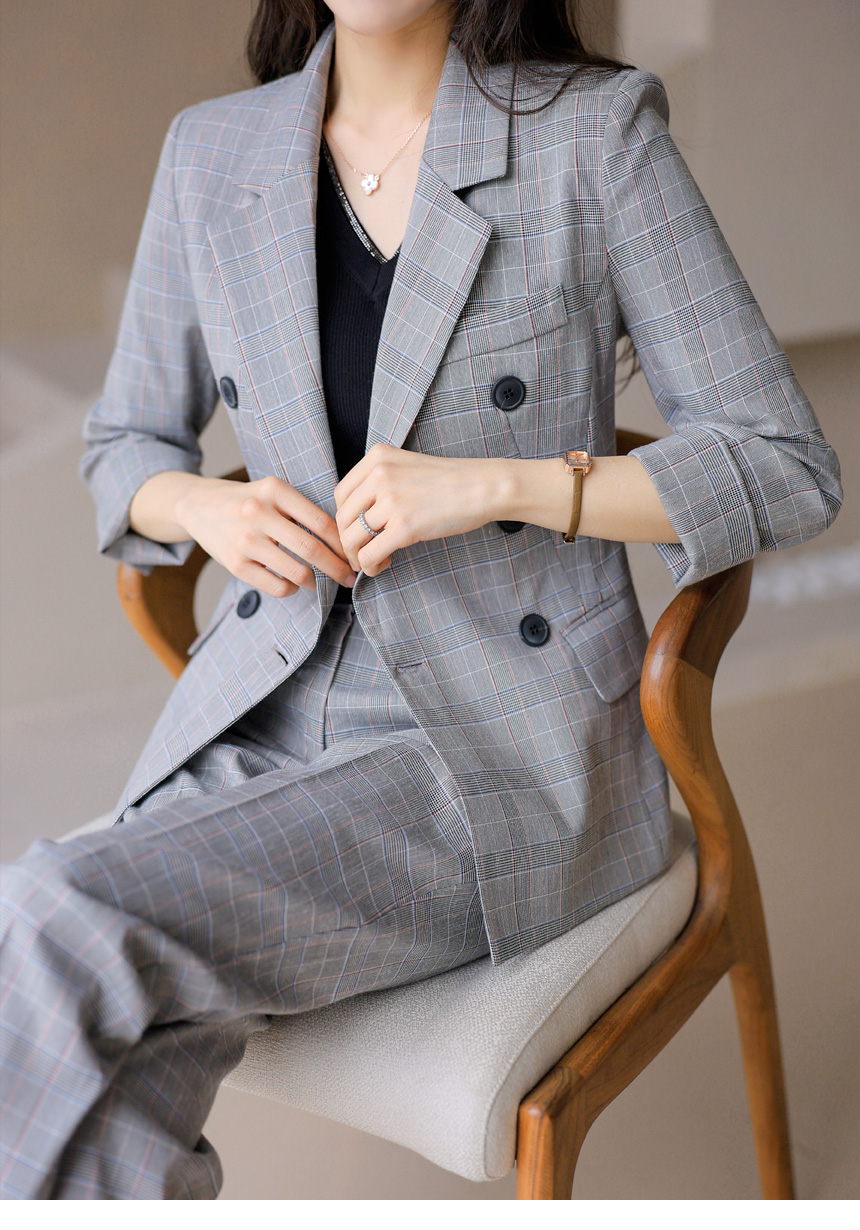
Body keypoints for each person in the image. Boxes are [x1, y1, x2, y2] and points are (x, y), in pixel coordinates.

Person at [0, 0, 842, 1201]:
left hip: (489, 748)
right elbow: (123, 444)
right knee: (106, 1044)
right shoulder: (214, 151)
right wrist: (205, 510)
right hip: (265, 704)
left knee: (53, 914)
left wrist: (500, 484)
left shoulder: (591, 135)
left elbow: (780, 462)